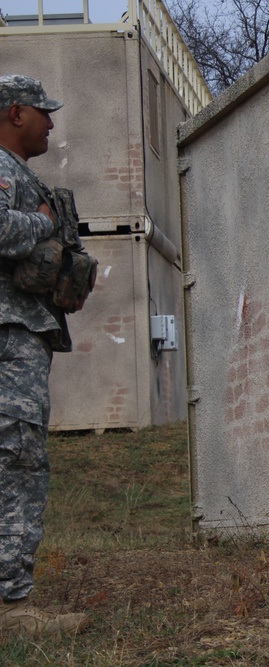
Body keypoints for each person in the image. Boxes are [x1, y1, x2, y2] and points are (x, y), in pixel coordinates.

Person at [0, 74, 89, 634]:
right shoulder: (4, 172)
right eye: (42, 112)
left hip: (19, 328)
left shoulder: (18, 174)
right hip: (9, 335)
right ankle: (10, 604)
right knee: (18, 457)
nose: (51, 123)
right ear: (14, 114)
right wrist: (45, 224)